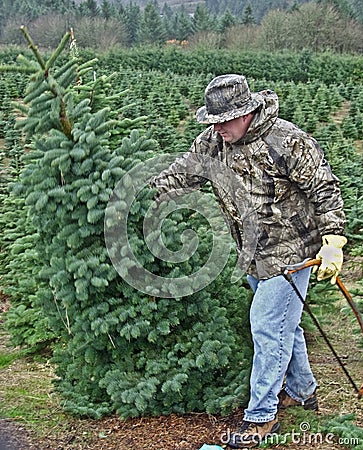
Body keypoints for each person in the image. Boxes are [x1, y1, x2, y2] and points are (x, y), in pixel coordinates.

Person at [150, 74, 346, 448]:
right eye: (213, 121)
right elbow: (185, 173)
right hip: (252, 251)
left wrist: (333, 241)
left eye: (225, 120)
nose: (218, 127)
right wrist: (144, 194)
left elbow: (325, 189)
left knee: (267, 327)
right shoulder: (214, 141)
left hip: (291, 252)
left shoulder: (287, 142)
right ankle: (302, 391)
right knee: (285, 324)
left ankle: (260, 418)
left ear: (248, 111)